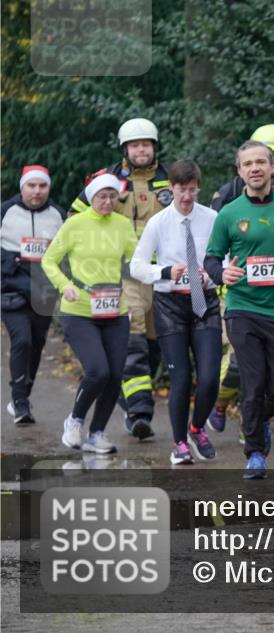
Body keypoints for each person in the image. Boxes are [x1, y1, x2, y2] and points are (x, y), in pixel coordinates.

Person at [205, 141, 274, 479]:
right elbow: (211, 258)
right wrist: (222, 274)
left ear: (272, 166)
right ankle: (255, 453)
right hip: (241, 308)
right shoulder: (229, 213)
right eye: (248, 164)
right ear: (240, 171)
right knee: (253, 380)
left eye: (261, 161)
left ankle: (256, 421)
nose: (256, 168)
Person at [71, 117, 171, 439]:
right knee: (134, 340)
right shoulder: (108, 181)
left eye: (146, 144)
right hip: (124, 276)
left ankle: (128, 398)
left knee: (156, 346)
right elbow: (77, 216)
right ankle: (139, 413)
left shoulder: (171, 180)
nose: (141, 150)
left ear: (155, 147)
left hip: (164, 276)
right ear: (125, 149)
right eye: (135, 145)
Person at [130, 160, 221, 465]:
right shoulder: (158, 222)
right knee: (181, 378)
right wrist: (167, 270)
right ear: (170, 188)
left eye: (192, 190)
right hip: (170, 305)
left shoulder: (212, 218)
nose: (187, 197)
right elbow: (137, 266)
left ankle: (197, 428)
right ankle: (179, 442)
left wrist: (213, 273)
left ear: (198, 188)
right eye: (181, 190)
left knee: (209, 378)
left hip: (204, 302)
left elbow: (226, 256)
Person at [42, 173, 137, 454]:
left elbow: (134, 262)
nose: (107, 202)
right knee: (98, 371)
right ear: (91, 198)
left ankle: (97, 434)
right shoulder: (75, 224)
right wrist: (65, 286)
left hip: (115, 309)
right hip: (79, 308)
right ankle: (75, 420)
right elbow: (49, 260)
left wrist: (133, 297)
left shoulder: (122, 225)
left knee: (115, 374)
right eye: (101, 197)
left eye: (112, 196)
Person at [1, 165, 65, 424]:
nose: (37, 191)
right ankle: (19, 401)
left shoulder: (59, 215)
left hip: (44, 290)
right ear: (22, 187)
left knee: (37, 344)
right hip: (11, 289)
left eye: (42, 186)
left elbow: (69, 252)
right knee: (23, 340)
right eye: (32, 186)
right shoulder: (5, 211)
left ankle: (22, 398)